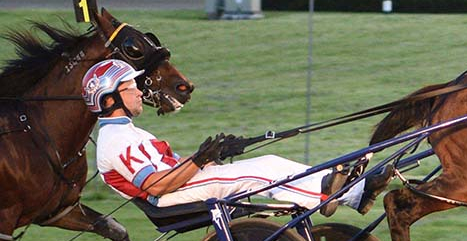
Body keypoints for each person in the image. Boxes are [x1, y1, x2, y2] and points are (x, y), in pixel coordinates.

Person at [83, 60, 391, 216]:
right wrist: (199, 159)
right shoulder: (116, 140)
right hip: (167, 198)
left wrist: (211, 155)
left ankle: (354, 191)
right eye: (130, 87)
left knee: (269, 162)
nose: (139, 92)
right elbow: (156, 184)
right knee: (261, 172)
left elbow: (168, 171)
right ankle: (326, 194)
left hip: (178, 186)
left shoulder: (124, 132)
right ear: (110, 100)